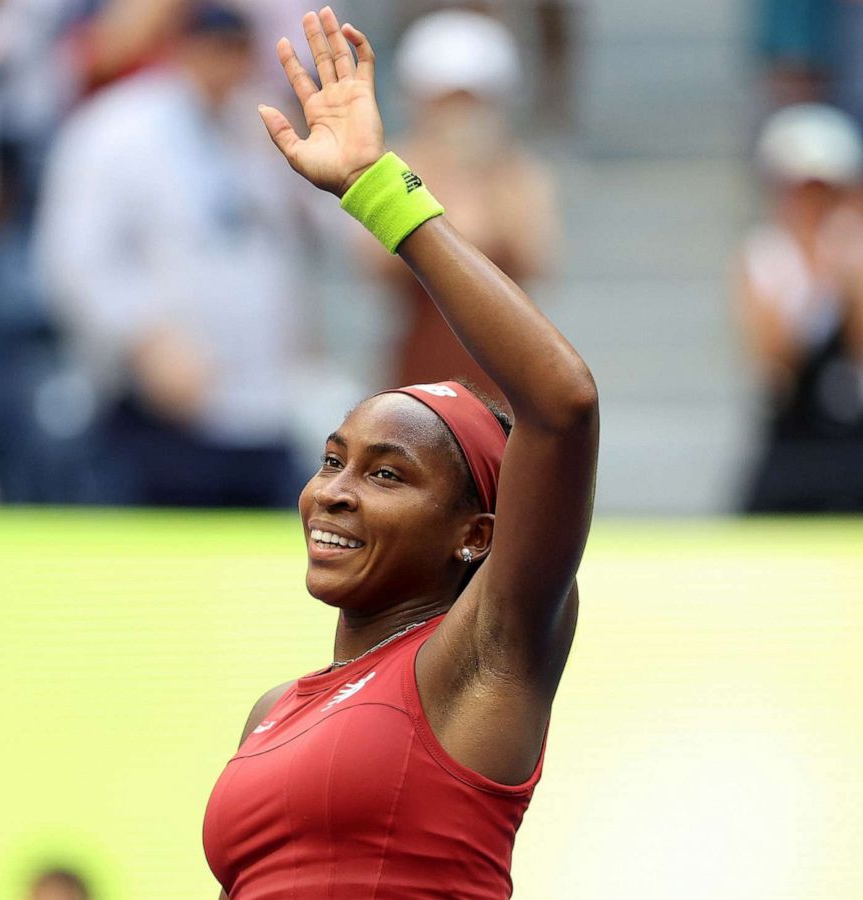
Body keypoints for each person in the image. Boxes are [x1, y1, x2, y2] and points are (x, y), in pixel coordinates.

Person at [202, 8, 597, 896]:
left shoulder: (485, 658)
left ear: (477, 535)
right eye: (332, 459)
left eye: (386, 474)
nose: (333, 492)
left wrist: (377, 188)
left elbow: (563, 404)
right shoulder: (272, 712)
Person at [36, 2, 310, 508]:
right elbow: (75, 254)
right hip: (160, 404)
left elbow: (301, 237)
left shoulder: (264, 128)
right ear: (180, 48)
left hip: (264, 399)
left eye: (235, 52)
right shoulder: (120, 126)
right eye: (210, 50)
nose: (222, 66)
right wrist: (142, 338)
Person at [360, 7, 559, 407]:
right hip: (418, 374)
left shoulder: (517, 173)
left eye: (470, 102)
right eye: (446, 101)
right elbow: (374, 263)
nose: (459, 116)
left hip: (501, 376)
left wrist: (482, 181)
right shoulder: (398, 165)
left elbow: (536, 261)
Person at [735, 103, 863, 512]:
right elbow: (773, 361)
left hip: (857, 435)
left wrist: (853, 275)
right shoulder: (763, 255)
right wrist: (816, 284)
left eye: (824, 190)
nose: (811, 204)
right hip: (791, 435)